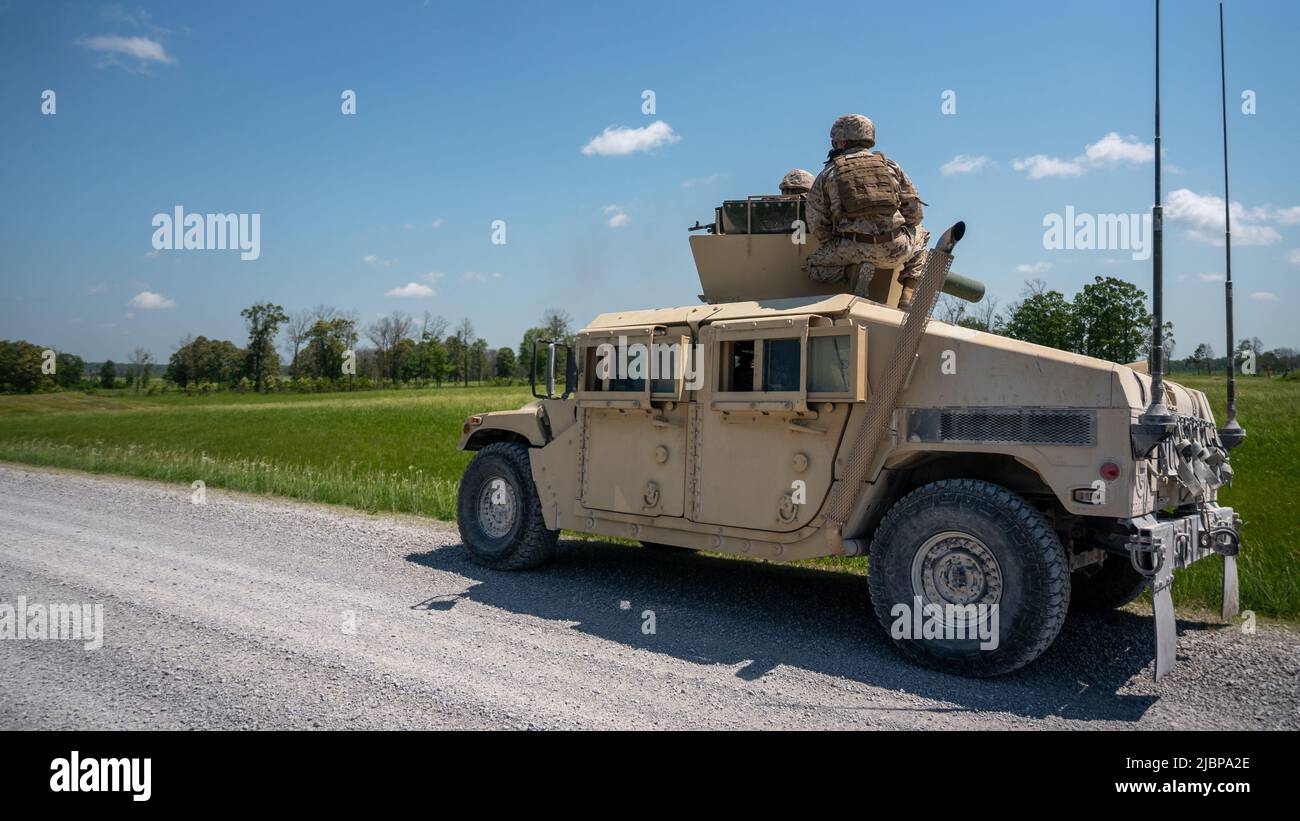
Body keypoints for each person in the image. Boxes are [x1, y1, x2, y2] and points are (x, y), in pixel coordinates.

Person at [804, 114, 930, 304]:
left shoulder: (828, 173)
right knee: (921, 233)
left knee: (812, 266)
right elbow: (915, 214)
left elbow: (817, 223)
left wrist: (836, 242)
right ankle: (908, 291)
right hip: (895, 248)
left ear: (841, 141)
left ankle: (853, 271)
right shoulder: (891, 167)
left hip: (851, 248)